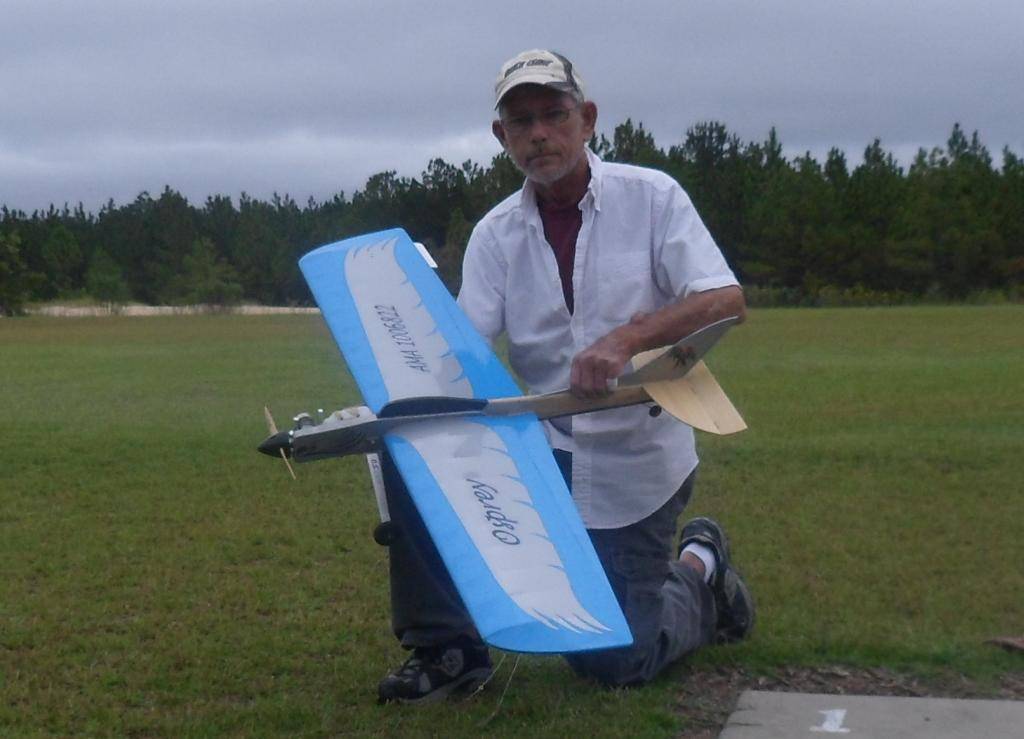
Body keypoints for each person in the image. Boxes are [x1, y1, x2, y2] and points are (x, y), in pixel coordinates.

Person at [377, 49, 754, 704]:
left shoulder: (654, 198)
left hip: (639, 464)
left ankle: (700, 567)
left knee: (614, 662)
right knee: (411, 437)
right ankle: (449, 648)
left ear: (588, 120)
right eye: (521, 122)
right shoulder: (495, 235)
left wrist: (627, 339)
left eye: (554, 115)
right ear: (502, 137)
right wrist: (401, 379)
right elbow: (463, 350)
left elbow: (725, 300)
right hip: (543, 454)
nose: (539, 134)